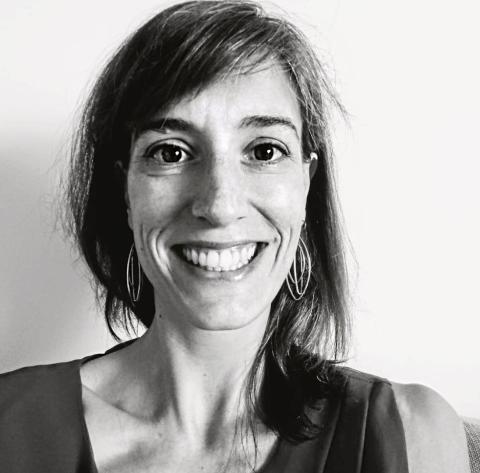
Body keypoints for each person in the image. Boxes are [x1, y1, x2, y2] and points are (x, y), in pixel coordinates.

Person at [0, 1, 470, 472]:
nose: (220, 205)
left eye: (264, 151)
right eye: (170, 152)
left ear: (306, 185)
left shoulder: (412, 433)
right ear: (125, 189)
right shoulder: (9, 426)